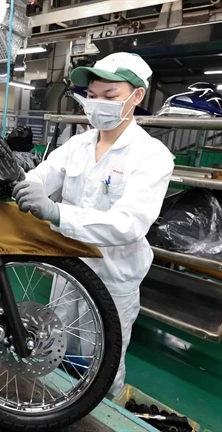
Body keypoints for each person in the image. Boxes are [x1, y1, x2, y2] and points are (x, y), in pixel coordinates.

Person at [12, 52, 174, 395]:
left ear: (137, 97)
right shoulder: (78, 145)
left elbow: (129, 224)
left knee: (102, 363)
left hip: (112, 278)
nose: (98, 104)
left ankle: (104, 412)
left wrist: (58, 213)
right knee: (54, 346)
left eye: (110, 96)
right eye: (93, 96)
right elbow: (41, 176)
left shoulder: (152, 155)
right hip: (67, 270)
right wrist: (25, 185)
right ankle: (55, 404)